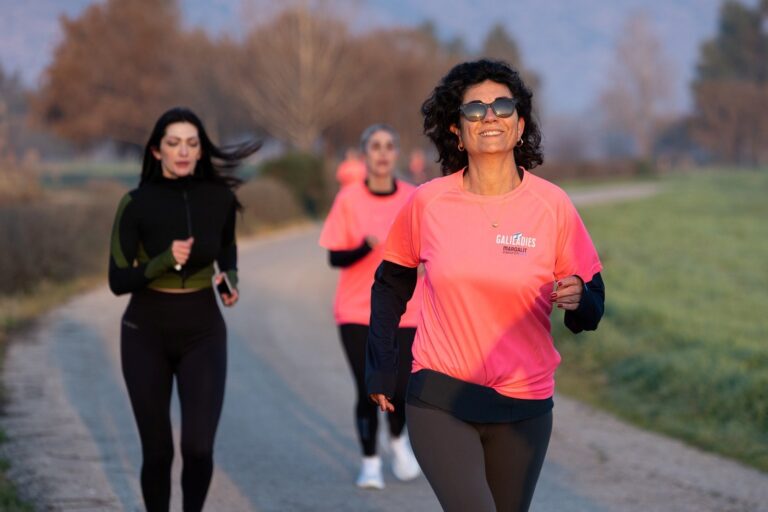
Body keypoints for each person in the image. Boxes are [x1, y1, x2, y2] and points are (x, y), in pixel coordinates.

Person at [366, 59, 605, 512]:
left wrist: (578, 300)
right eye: (474, 109)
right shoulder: (428, 203)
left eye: (502, 105)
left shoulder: (552, 206)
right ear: (456, 131)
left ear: (520, 126)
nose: (490, 115)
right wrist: (381, 366)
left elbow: (592, 306)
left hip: (526, 405)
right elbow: (389, 285)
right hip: (440, 398)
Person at [108, 107, 259, 511]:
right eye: (173, 143)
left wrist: (230, 278)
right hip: (145, 333)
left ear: (200, 150)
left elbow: (227, 248)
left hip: (203, 332)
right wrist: (163, 261)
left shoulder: (219, 199)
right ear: (156, 151)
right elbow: (117, 280)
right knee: (157, 453)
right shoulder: (135, 203)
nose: (183, 151)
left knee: (198, 448)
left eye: (192, 143)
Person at [319, 124, 423, 490]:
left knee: (401, 386)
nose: (382, 153)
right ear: (365, 155)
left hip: (407, 309)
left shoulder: (414, 197)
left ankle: (397, 438)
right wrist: (364, 245)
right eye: (375, 146)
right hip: (356, 311)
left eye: (389, 146)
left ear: (397, 153)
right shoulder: (348, 199)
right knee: (368, 386)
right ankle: (370, 462)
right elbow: (335, 257)